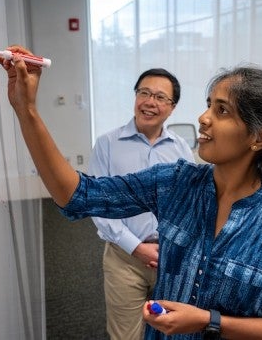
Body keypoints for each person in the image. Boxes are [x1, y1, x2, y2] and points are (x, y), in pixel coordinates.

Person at [0, 46, 262, 340]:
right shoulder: (175, 183)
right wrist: (27, 110)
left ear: (260, 137)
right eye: (209, 105)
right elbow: (77, 195)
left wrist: (211, 322)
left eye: (222, 111)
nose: (204, 118)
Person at [88, 68, 195, 339]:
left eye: (160, 97)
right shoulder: (107, 144)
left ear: (171, 108)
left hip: (171, 258)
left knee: (171, 330)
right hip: (124, 258)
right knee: (126, 335)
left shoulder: (181, 149)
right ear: (136, 97)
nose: (150, 102)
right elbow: (99, 205)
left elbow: (191, 205)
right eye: (144, 93)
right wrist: (136, 248)